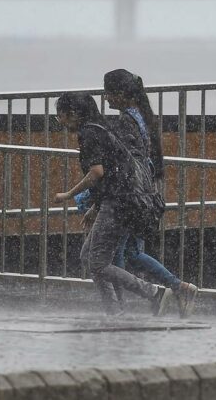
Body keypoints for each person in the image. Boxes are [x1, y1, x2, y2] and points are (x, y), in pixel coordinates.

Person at [53, 92, 173, 317]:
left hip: (119, 203)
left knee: (97, 262)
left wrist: (69, 194)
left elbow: (98, 172)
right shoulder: (102, 128)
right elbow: (114, 172)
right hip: (121, 200)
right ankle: (114, 311)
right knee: (88, 256)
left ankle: (153, 292)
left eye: (60, 117)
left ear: (73, 114)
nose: (60, 122)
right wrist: (94, 206)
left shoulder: (89, 133)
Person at [102, 69, 198, 318]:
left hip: (130, 194)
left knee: (117, 253)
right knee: (132, 251)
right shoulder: (141, 117)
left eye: (109, 93)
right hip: (143, 193)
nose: (106, 98)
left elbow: (124, 162)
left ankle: (120, 306)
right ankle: (178, 287)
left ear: (122, 94)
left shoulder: (126, 121)